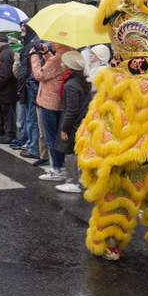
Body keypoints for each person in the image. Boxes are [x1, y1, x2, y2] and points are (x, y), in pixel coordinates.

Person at [31, 41, 71, 181]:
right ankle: (61, 167)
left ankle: (57, 170)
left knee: (51, 137)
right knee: (57, 137)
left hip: (49, 103)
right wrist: (47, 54)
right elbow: (54, 71)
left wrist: (34, 56)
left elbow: (40, 75)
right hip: (59, 102)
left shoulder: (58, 58)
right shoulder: (68, 55)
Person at [53, 51, 91, 194]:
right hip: (82, 121)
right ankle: (80, 180)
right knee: (78, 151)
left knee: (69, 151)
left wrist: (64, 129)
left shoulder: (71, 85)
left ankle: (72, 182)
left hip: (74, 123)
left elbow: (71, 110)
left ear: (69, 65)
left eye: (63, 62)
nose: (61, 64)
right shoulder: (82, 80)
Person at [14, 21, 41, 160]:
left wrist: (28, 83)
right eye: (21, 28)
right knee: (28, 119)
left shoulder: (32, 45)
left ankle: (34, 148)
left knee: (32, 119)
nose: (21, 30)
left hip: (31, 87)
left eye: (24, 28)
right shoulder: (27, 44)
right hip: (27, 86)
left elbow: (30, 69)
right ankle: (31, 144)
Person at [0, 33, 17, 144]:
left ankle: (10, 134)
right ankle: (2, 130)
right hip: (3, 91)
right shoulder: (4, 53)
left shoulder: (6, 54)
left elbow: (4, 75)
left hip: (5, 91)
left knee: (8, 113)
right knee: (2, 112)